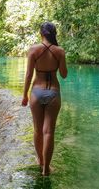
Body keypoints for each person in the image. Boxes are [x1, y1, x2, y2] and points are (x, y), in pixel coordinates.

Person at [21, 22, 68, 176]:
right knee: (49, 132)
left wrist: (24, 96)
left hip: (36, 92)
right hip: (53, 93)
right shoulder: (59, 51)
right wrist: (59, 59)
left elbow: (28, 75)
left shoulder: (33, 50)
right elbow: (64, 74)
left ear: (41, 33)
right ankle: (46, 168)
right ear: (53, 34)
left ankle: (40, 160)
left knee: (37, 130)